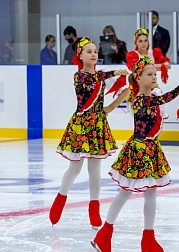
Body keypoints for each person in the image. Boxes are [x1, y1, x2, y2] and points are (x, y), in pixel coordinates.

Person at [91, 56, 179, 252]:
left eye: (155, 74)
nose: (154, 77)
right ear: (138, 78)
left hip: (151, 149)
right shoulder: (140, 98)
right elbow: (162, 99)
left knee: (151, 193)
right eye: (149, 74)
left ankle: (148, 239)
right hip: (139, 150)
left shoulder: (152, 96)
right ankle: (104, 234)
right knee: (125, 192)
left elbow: (160, 103)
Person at [51, 37, 130, 229]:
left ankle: (94, 209)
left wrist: (110, 107)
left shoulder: (103, 76)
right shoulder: (79, 76)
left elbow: (127, 90)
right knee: (75, 169)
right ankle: (60, 198)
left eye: (95, 51)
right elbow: (92, 78)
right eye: (89, 51)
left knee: (94, 170)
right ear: (80, 55)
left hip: (97, 125)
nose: (93, 54)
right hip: (80, 126)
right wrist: (113, 72)